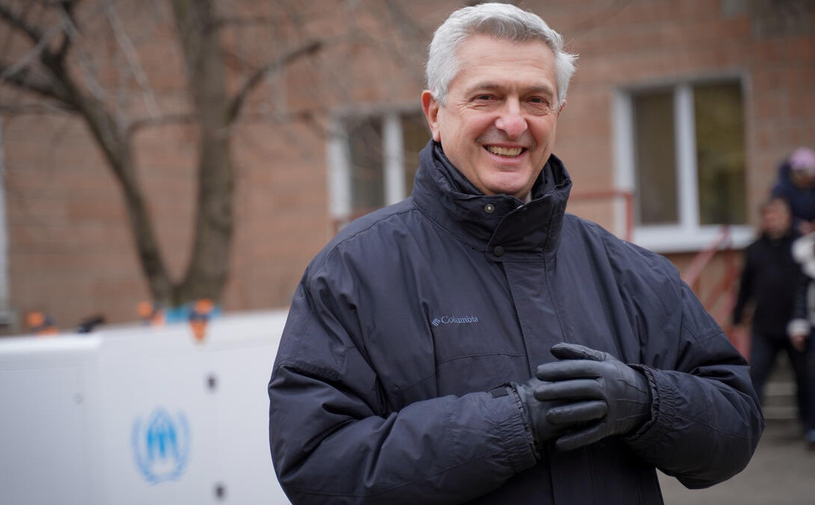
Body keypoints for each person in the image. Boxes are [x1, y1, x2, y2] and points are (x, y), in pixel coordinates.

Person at [268, 3, 764, 503]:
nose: (512, 122)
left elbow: (736, 425)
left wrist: (646, 403)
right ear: (435, 113)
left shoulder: (632, 272)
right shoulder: (353, 272)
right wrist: (512, 423)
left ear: (557, 115)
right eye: (487, 96)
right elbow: (317, 466)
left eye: (535, 100)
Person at [732, 197, 809, 434]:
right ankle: (747, 427)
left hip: (797, 327)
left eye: (777, 216)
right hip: (764, 326)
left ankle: (810, 428)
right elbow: (745, 285)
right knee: (755, 377)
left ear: (787, 217)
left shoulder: (802, 246)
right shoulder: (755, 249)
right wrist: (738, 314)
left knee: (806, 378)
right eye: (768, 217)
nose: (772, 221)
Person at [772, 146, 815, 235]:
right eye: (807, 178)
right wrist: (797, 224)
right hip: (790, 236)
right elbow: (778, 214)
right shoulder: (781, 190)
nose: (808, 181)